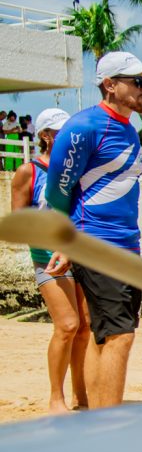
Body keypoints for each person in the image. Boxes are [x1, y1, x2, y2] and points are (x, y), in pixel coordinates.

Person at [45, 51, 142, 408]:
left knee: (106, 336)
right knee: (120, 336)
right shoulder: (83, 128)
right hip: (96, 244)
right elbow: (57, 190)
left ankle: (96, 415)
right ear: (109, 85)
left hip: (127, 246)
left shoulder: (129, 131)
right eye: (138, 81)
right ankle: (112, 428)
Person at [9, 108, 90, 412]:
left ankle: (81, 396)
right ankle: (56, 397)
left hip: (81, 254)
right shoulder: (29, 172)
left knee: (85, 328)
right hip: (48, 258)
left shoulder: (78, 168)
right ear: (45, 136)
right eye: (60, 131)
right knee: (67, 325)